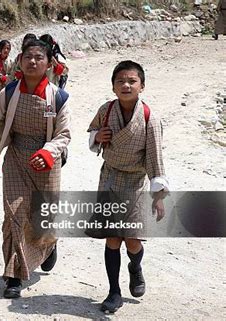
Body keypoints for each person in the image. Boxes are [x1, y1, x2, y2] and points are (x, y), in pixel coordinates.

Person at [0, 39, 71, 299]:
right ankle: (14, 276)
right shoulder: (8, 93)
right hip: (16, 160)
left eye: (39, 58)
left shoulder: (59, 97)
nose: (33, 62)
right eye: (28, 57)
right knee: (14, 215)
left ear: (49, 64)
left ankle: (48, 245)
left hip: (47, 163)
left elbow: (64, 134)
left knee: (42, 220)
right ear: (20, 61)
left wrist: (48, 153)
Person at [87, 60, 169, 313]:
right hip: (110, 177)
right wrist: (97, 137)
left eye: (132, 81)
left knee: (132, 239)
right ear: (113, 86)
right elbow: (92, 131)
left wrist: (158, 197)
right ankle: (114, 291)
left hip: (136, 182)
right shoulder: (106, 109)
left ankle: (135, 267)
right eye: (120, 81)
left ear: (141, 86)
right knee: (112, 237)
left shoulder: (149, 119)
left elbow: (155, 160)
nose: (126, 85)